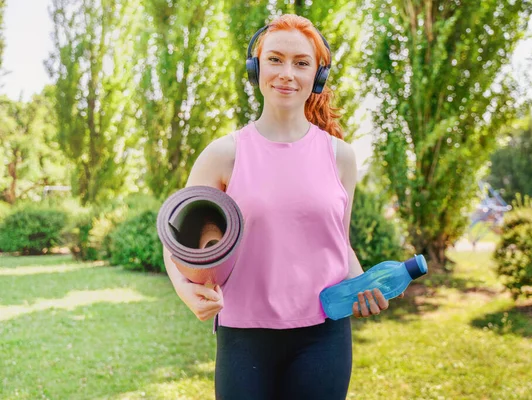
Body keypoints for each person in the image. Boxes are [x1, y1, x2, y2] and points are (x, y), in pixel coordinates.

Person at [162, 13, 401, 400]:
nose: (286, 73)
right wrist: (185, 291)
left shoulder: (340, 156)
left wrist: (363, 286)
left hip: (324, 336)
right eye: (274, 59)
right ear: (256, 68)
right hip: (244, 337)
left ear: (317, 77)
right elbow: (175, 241)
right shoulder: (224, 154)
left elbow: (338, 241)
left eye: (301, 63)